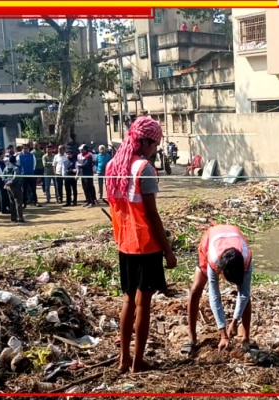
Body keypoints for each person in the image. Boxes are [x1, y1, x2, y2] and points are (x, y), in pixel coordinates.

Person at [105, 116, 177, 373]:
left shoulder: (113, 165)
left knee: (127, 301)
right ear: (145, 141)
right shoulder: (143, 168)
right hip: (145, 245)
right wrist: (168, 250)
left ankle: (123, 358)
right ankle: (137, 361)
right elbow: (152, 215)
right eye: (155, 144)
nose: (156, 149)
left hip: (124, 243)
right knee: (143, 304)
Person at [185, 224, 255, 355]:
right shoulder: (214, 259)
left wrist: (234, 321)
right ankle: (192, 336)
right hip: (211, 240)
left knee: (246, 294)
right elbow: (214, 296)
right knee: (196, 289)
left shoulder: (246, 258)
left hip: (234, 237)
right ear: (219, 271)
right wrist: (223, 333)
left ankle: (246, 338)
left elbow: (244, 294)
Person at [3, 155, 25, 223]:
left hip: (8, 187)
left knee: (12, 202)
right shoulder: (16, 168)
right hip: (15, 186)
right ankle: (20, 218)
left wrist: (6, 182)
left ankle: (13, 218)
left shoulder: (6, 168)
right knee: (18, 202)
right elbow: (16, 177)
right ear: (15, 160)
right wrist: (11, 182)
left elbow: (3, 176)